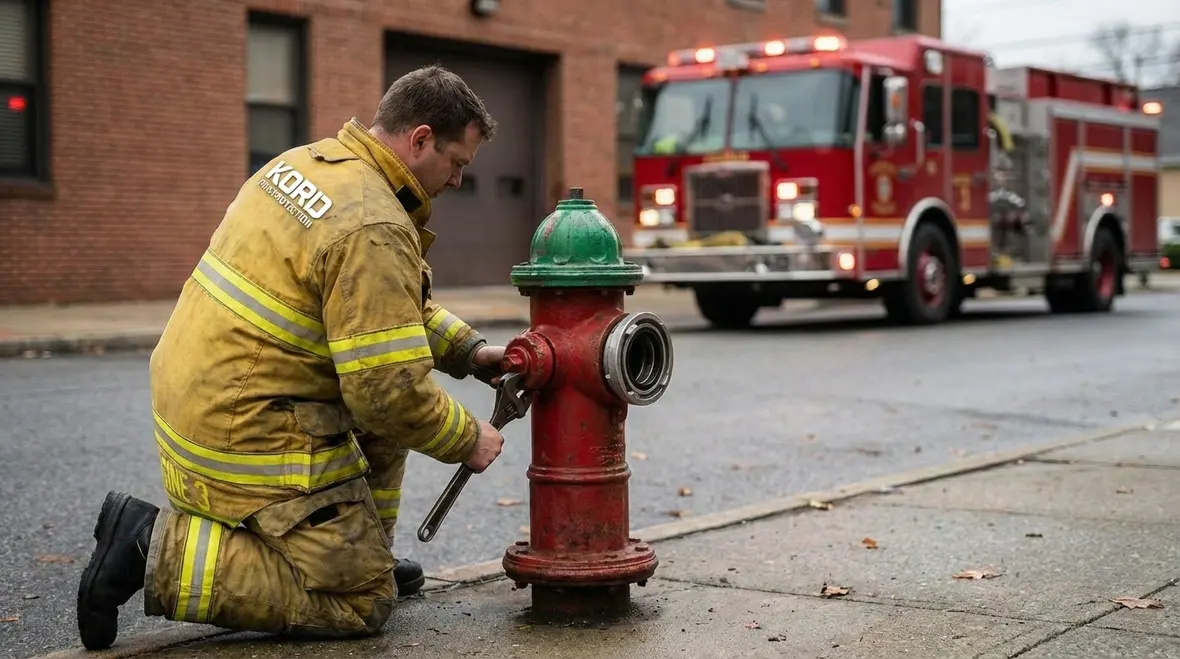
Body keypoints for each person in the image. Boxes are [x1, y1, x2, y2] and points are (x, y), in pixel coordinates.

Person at [76, 64, 507, 650]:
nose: (457, 181)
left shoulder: (305, 165)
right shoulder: (373, 222)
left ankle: (361, 553)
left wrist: (471, 351)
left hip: (196, 406)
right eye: (457, 163)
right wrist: (467, 438)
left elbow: (381, 313)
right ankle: (147, 548)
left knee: (379, 432)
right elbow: (387, 391)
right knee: (362, 602)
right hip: (246, 436)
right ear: (421, 138)